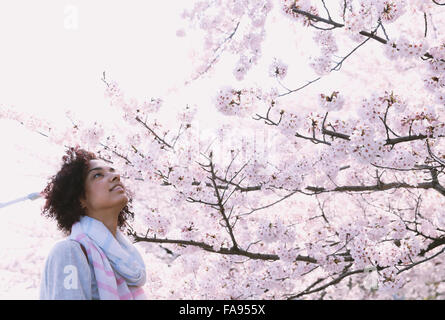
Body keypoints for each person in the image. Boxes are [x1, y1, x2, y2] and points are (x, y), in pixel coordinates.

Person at [39, 146, 147, 300]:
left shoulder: (124, 261)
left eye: (112, 171)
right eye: (97, 175)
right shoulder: (69, 251)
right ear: (80, 198)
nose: (115, 176)